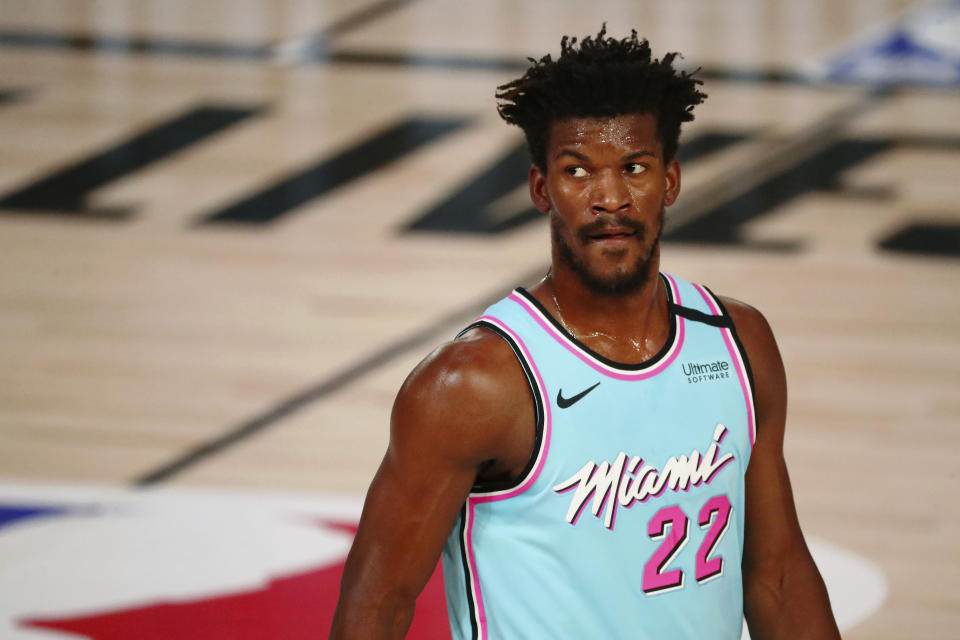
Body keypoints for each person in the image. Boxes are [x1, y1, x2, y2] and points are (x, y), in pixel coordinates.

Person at [331, 27, 840, 640]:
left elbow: (777, 575)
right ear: (542, 188)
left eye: (634, 167)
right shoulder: (474, 385)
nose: (610, 198)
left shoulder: (739, 343)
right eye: (578, 171)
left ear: (670, 181)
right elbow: (379, 601)